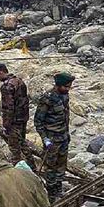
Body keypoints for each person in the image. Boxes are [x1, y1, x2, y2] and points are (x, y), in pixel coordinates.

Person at [34, 72, 75, 200]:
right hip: (52, 139)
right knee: (50, 167)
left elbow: (66, 116)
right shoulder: (47, 98)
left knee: (61, 165)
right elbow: (38, 121)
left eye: (69, 87)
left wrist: (67, 134)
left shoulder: (64, 96)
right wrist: (44, 138)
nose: (68, 89)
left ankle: (58, 189)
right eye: (66, 87)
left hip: (63, 137)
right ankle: (51, 194)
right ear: (58, 85)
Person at [0, 62, 35, 170]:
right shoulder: (20, 81)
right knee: (22, 142)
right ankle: (32, 166)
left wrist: (6, 123)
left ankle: (19, 170)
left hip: (14, 121)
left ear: (0, 72)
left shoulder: (7, 86)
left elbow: (8, 107)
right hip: (23, 119)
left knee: (15, 147)